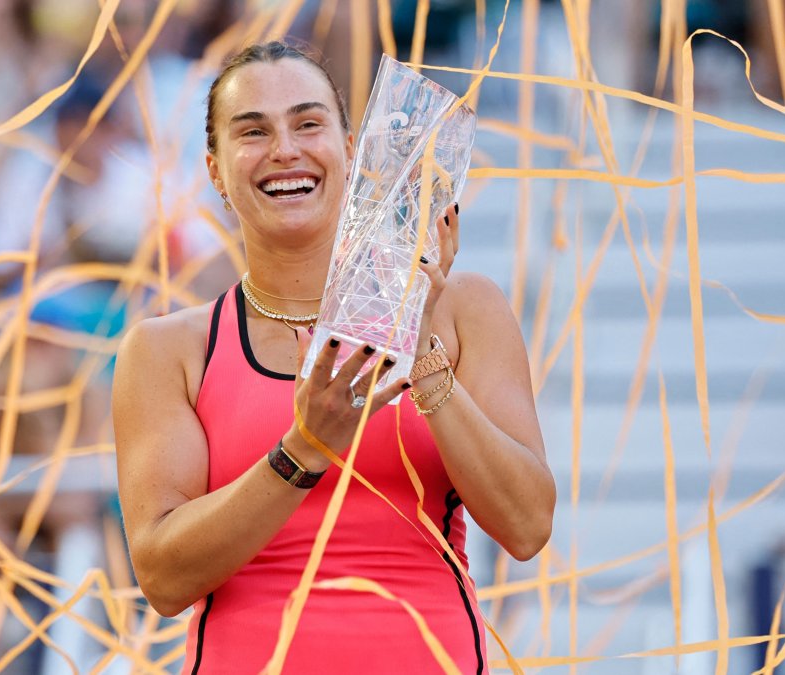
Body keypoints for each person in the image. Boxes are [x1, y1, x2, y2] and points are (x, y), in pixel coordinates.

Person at [112, 41, 555, 673]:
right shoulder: (168, 351)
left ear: (351, 150)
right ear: (214, 170)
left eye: (308, 123)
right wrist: (301, 454)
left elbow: (527, 525)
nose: (285, 149)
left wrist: (422, 358)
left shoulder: (463, 308)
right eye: (253, 131)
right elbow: (162, 577)